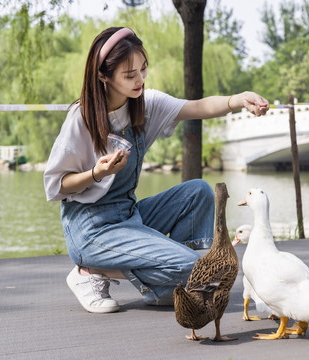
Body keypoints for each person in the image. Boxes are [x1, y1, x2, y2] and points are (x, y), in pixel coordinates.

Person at [43, 26, 269, 313]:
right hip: (91, 230)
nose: (140, 80)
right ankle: (92, 271)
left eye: (143, 70)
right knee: (196, 270)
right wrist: (96, 174)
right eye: (129, 75)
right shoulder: (82, 117)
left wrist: (238, 99)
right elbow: (56, 185)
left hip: (128, 215)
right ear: (103, 75)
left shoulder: (145, 105)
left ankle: (169, 272)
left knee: (198, 192)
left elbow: (197, 106)